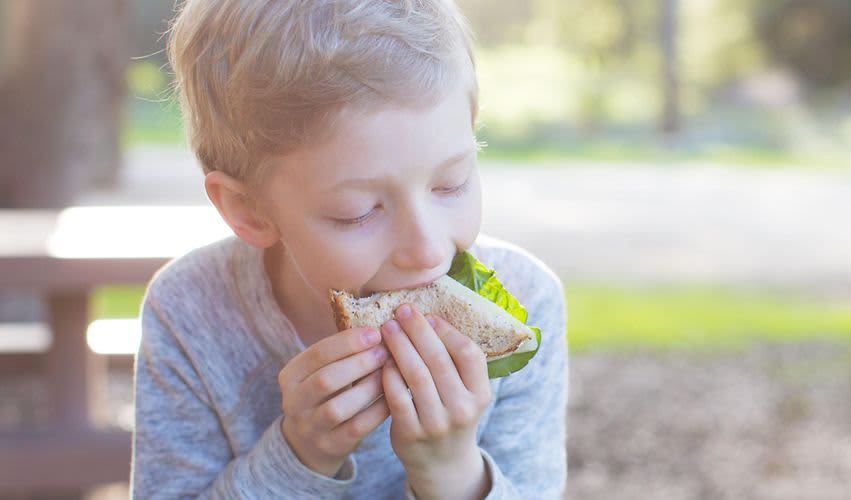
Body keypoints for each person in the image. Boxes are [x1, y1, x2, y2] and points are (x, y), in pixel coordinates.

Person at [131, 1, 567, 498]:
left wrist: (452, 474)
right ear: (250, 209)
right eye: (358, 212)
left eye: (450, 184)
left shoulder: (528, 304)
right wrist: (299, 458)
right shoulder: (189, 312)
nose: (427, 250)